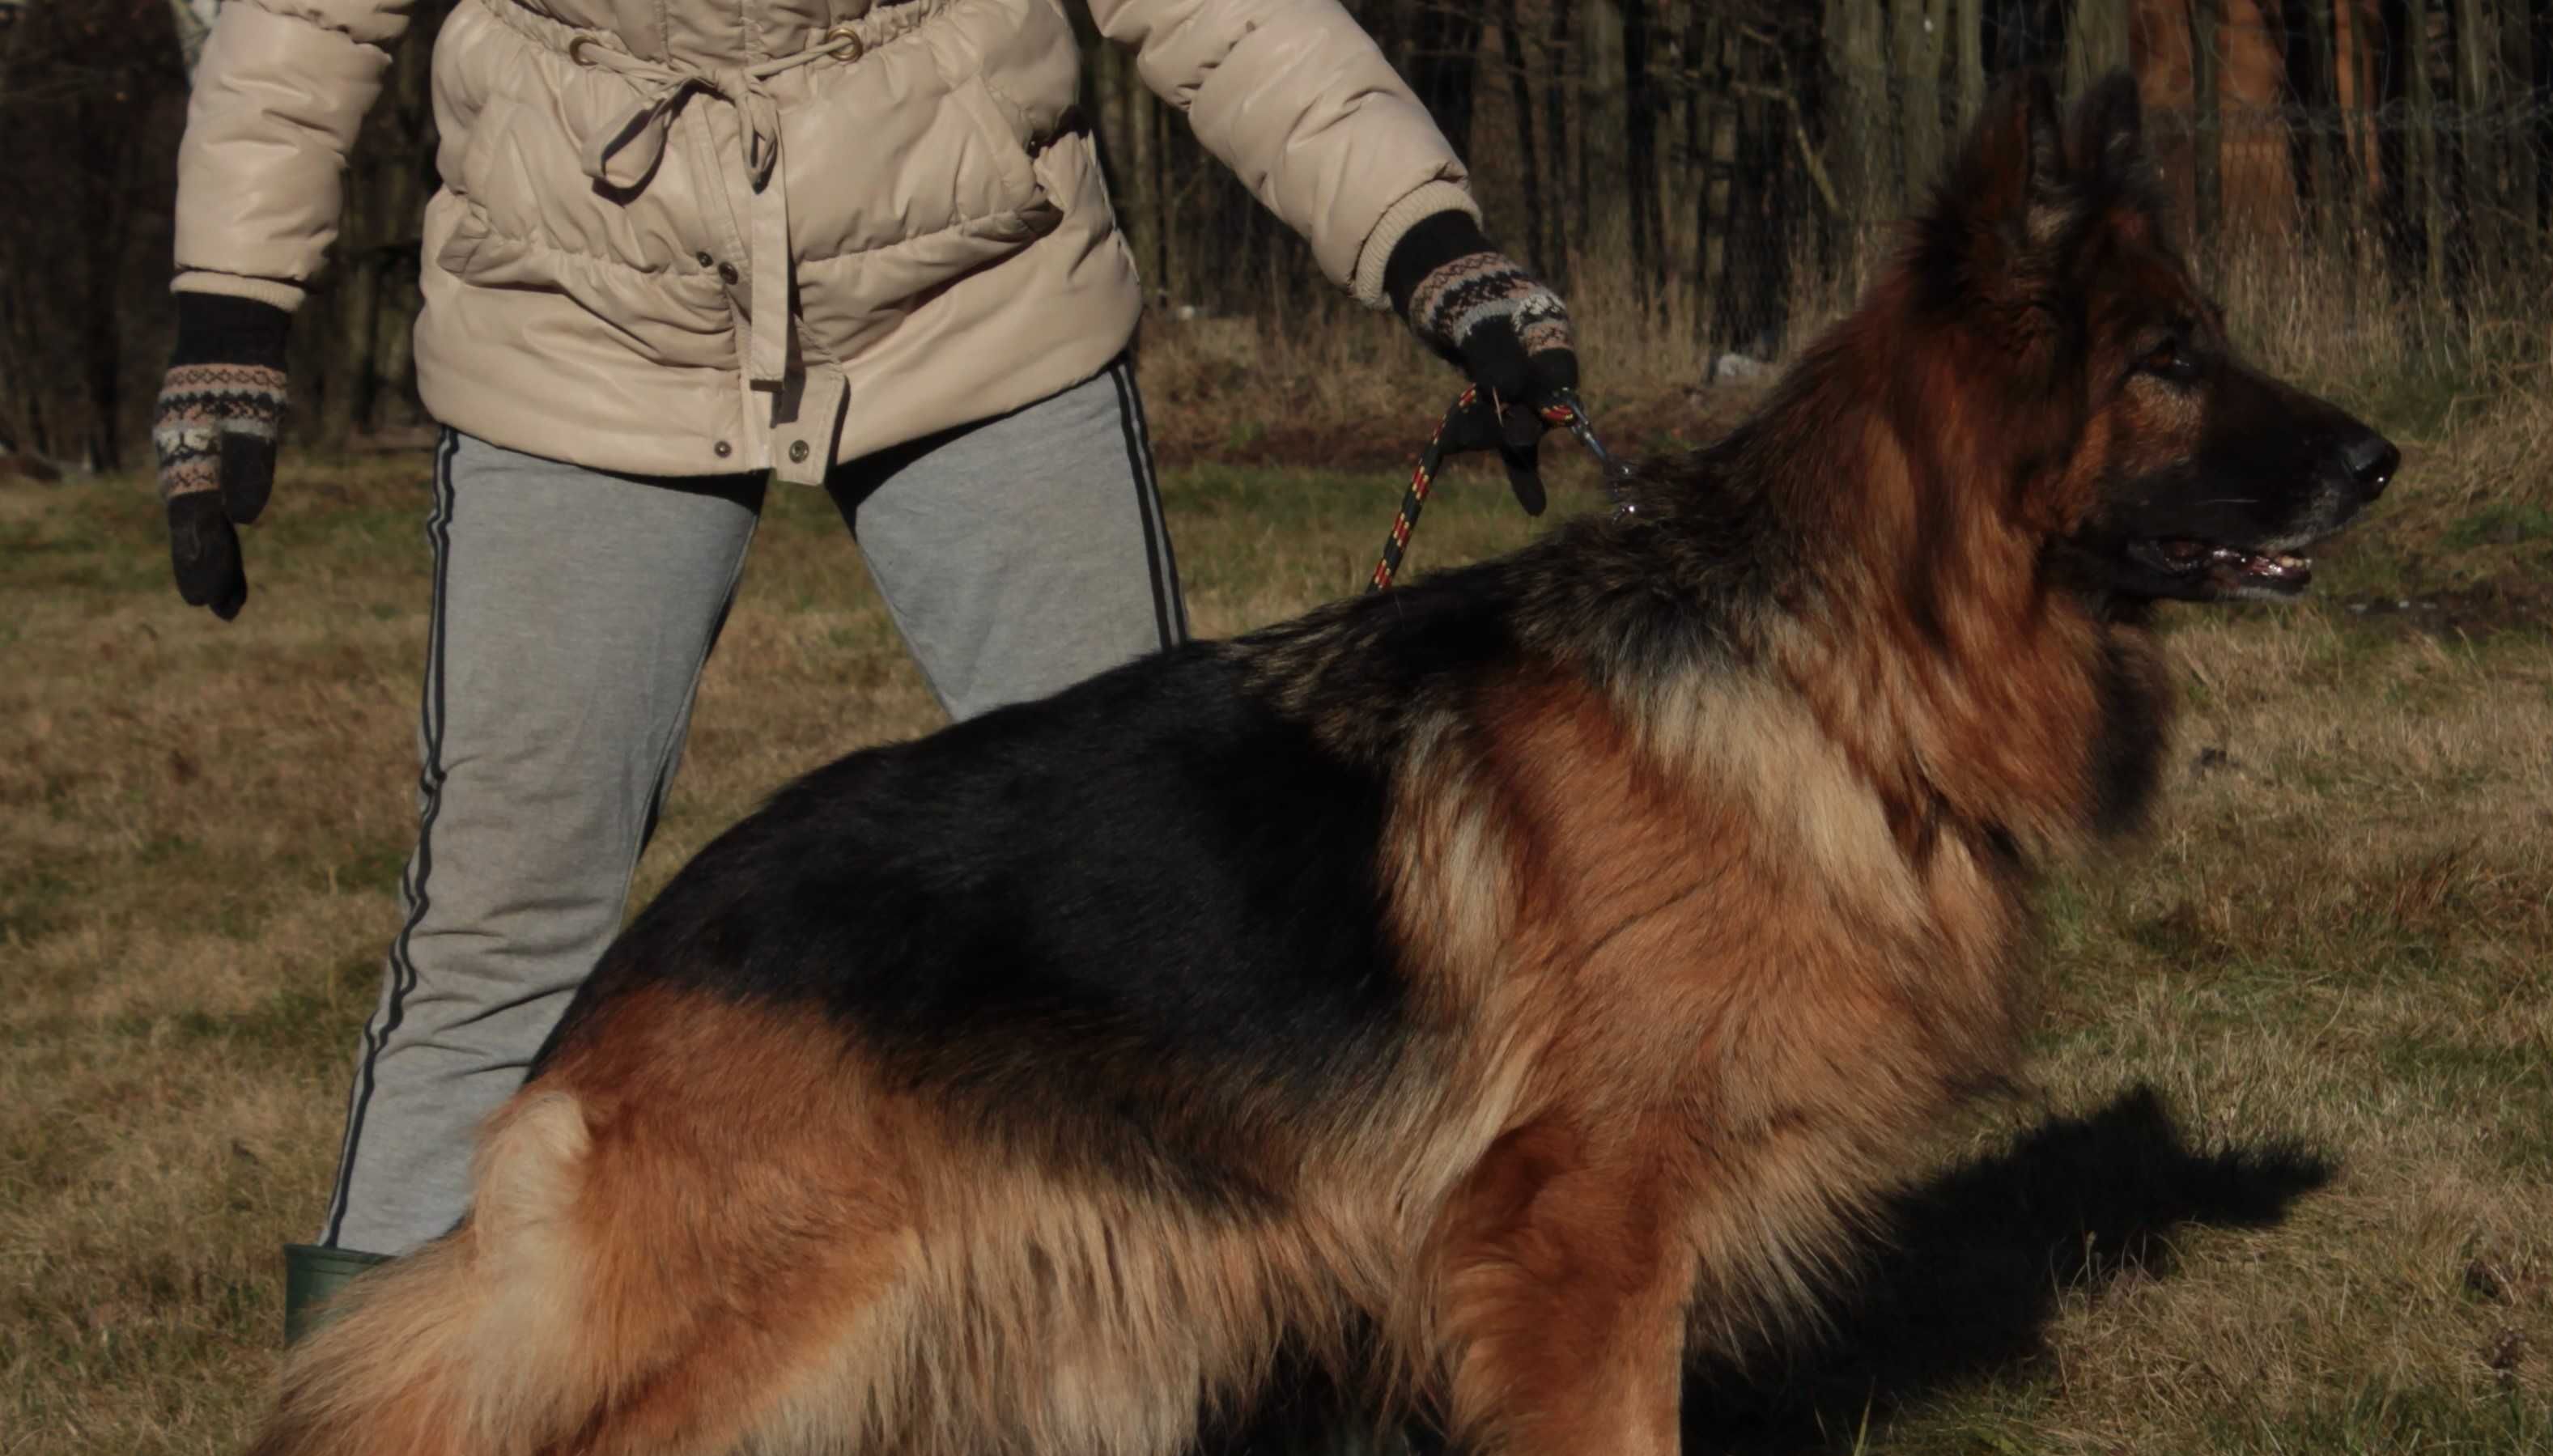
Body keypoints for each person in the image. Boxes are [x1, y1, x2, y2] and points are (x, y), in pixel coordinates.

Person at [152, 0, 1582, 1360]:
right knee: (500, 919)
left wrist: (1426, 237)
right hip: (581, 303)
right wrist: (230, 319)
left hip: (970, 287)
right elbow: (305, 21)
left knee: (1175, 884)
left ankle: (1293, 1394)